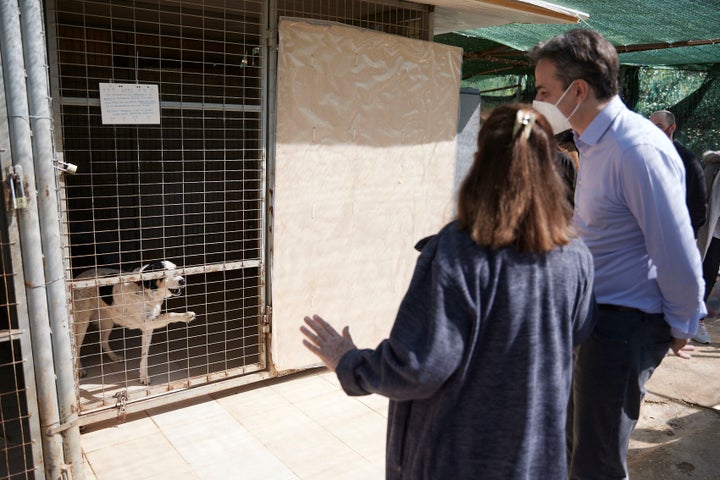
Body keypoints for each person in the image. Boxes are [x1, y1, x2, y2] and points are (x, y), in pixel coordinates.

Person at [300, 104, 597, 480]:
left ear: (479, 163)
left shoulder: (459, 251)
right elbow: (577, 333)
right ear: (548, 169)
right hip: (534, 461)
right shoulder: (577, 257)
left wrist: (349, 362)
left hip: (459, 459)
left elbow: (418, 367)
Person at [529, 29, 706, 480]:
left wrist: (684, 321)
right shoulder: (594, 145)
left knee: (597, 459)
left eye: (544, 91)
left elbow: (675, 245)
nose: (538, 100)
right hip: (595, 318)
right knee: (578, 445)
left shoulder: (636, 149)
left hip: (624, 324)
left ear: (578, 90)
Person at [649, 109, 707, 237]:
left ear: (672, 128)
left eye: (659, 126)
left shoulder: (687, 160)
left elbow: (698, 204)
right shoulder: (644, 156)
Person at [695, 150, 720, 344]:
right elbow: (701, 200)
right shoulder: (713, 167)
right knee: (707, 275)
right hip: (713, 233)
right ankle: (697, 321)